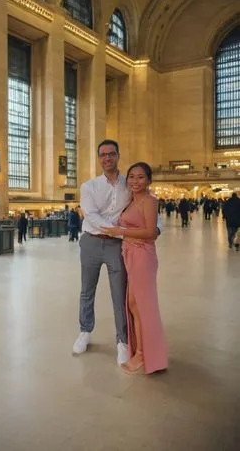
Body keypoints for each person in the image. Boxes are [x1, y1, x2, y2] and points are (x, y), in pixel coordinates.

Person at [72, 139, 160, 366]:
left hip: (116, 246)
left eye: (111, 154)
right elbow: (90, 215)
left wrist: (156, 227)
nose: (107, 158)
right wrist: (117, 231)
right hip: (91, 241)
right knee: (86, 290)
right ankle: (85, 331)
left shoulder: (128, 184)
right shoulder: (89, 186)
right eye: (102, 154)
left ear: (118, 156)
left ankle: (122, 340)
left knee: (119, 293)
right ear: (99, 158)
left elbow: (144, 204)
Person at [101, 162, 168, 375]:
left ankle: (143, 355)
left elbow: (151, 232)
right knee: (133, 304)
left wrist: (120, 231)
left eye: (140, 177)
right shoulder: (131, 200)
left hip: (142, 256)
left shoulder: (149, 201)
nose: (135, 181)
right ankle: (143, 350)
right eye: (131, 176)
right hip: (130, 254)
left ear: (149, 180)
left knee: (142, 306)